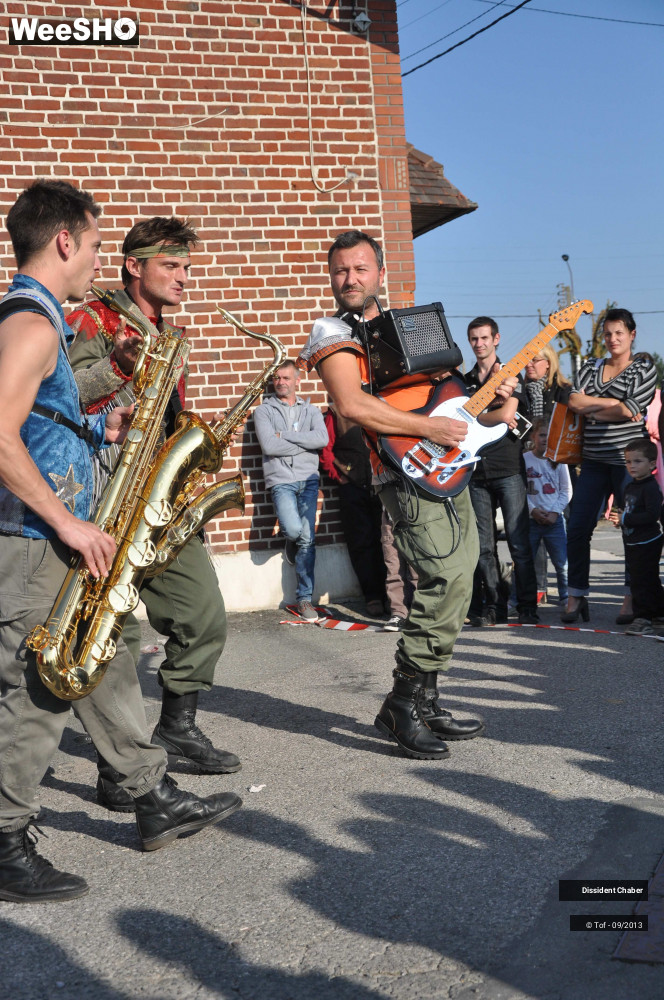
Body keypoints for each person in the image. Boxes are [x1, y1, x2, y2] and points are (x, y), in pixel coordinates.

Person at [0, 181, 241, 903]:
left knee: (99, 659)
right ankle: (5, 839)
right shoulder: (35, 322)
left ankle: (149, 795)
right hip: (40, 534)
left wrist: (91, 429)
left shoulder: (34, 317)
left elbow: (35, 419)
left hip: (58, 532)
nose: (100, 258)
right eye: (99, 244)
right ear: (66, 240)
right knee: (40, 690)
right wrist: (70, 522)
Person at [298, 230, 517, 760]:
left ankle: (428, 699)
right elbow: (351, 405)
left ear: (379, 273)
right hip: (404, 469)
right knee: (442, 576)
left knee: (463, 576)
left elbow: (458, 403)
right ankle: (400, 702)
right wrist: (428, 431)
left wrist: (497, 410)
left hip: (452, 464)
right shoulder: (330, 331)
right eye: (339, 271)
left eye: (359, 269)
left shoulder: (415, 328)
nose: (349, 279)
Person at [67, 217, 240, 816]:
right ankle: (122, 769)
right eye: (172, 266)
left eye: (187, 268)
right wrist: (118, 375)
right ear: (134, 266)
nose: (183, 278)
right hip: (107, 499)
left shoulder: (168, 330)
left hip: (160, 499)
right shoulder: (94, 320)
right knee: (114, 634)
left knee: (203, 614)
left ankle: (176, 726)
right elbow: (67, 395)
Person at [562, 309, 657, 623]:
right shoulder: (590, 366)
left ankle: (631, 596)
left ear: (631, 334)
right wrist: (613, 407)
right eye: (607, 334)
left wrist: (595, 408)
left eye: (619, 333)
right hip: (593, 462)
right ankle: (576, 595)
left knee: (631, 528)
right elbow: (574, 403)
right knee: (577, 528)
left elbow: (632, 409)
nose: (613, 339)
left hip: (629, 464)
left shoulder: (643, 368)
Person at [464, 317, 539, 626]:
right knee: (483, 547)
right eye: (474, 339)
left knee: (519, 543)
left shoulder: (510, 373)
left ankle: (528, 608)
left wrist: (480, 414)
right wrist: (490, 415)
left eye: (484, 338)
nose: (479, 343)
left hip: (508, 467)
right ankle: (495, 606)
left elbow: (508, 413)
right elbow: (462, 419)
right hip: (475, 470)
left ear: (496, 339)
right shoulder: (465, 380)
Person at [254, 360, 329, 621]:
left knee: (308, 539)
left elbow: (321, 439)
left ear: (297, 380)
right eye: (276, 378)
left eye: (286, 378)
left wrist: (285, 436)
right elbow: (269, 446)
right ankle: (290, 539)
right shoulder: (263, 411)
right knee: (296, 531)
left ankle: (304, 599)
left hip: (308, 479)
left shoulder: (312, 411)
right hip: (281, 479)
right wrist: (302, 442)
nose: (281, 382)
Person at [320, 403, 387, 617]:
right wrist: (340, 478)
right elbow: (326, 450)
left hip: (381, 481)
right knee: (361, 542)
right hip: (351, 485)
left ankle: (392, 595)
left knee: (387, 540)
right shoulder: (335, 412)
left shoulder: (377, 403)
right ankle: (373, 595)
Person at [523, 343, 574, 603]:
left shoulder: (563, 391)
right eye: (526, 361)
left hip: (557, 463)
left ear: (549, 363)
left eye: (535, 360)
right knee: (531, 542)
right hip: (527, 463)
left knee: (556, 536)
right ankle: (538, 590)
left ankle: (567, 595)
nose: (529, 365)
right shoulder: (520, 391)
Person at [608, 439, 664, 636]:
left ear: (651, 464)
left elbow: (652, 515)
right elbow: (629, 513)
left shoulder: (650, 488)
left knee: (641, 581)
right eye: (628, 461)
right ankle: (659, 613)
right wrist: (622, 519)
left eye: (638, 461)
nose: (632, 466)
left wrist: (626, 518)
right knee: (647, 580)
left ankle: (643, 618)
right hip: (633, 541)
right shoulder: (630, 486)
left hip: (648, 541)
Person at [524, 419, 572, 608]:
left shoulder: (559, 460)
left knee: (562, 563)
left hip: (555, 521)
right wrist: (532, 510)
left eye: (551, 435)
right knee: (525, 560)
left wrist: (554, 512)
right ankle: (519, 597)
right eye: (542, 434)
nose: (546, 439)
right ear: (533, 436)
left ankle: (566, 596)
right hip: (531, 520)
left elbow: (566, 491)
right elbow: (520, 489)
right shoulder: (525, 459)